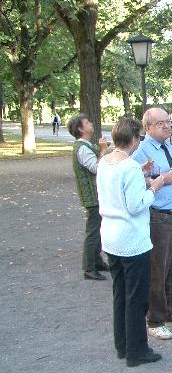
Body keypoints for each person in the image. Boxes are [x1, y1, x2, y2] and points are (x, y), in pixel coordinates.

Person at [96, 117, 164, 367]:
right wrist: (154, 186)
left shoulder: (105, 162)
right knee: (137, 297)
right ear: (135, 138)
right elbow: (136, 205)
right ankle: (137, 351)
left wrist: (142, 176)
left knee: (120, 293)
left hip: (111, 236)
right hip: (131, 239)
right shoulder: (130, 167)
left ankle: (123, 345)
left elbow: (117, 192)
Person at [132, 107, 172, 341]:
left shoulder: (168, 146)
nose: (167, 126)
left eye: (168, 122)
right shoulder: (142, 151)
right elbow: (135, 180)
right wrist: (157, 179)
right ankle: (156, 319)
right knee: (158, 270)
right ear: (148, 128)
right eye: (160, 124)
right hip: (159, 216)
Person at [68, 113, 109, 280]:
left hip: (95, 195)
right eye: (87, 122)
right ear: (80, 128)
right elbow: (97, 168)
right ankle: (88, 267)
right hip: (92, 196)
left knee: (98, 228)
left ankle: (96, 260)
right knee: (92, 231)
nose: (91, 123)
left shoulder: (86, 146)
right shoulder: (82, 148)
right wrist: (104, 151)